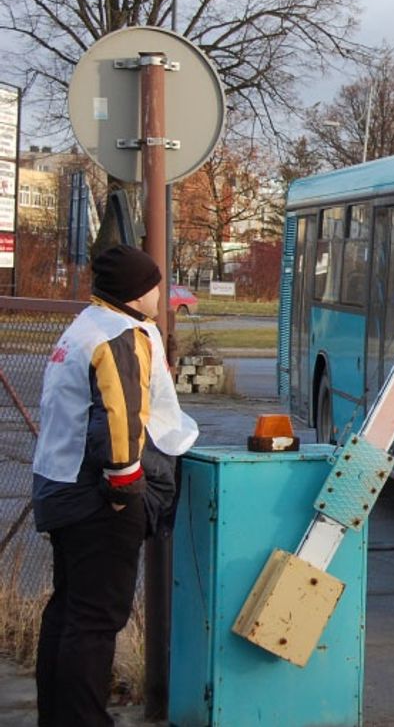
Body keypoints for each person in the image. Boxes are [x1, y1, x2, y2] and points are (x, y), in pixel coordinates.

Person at [32, 244, 199, 727]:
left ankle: (58, 717)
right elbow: (120, 416)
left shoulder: (86, 326)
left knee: (68, 612)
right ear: (136, 291)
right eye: (155, 284)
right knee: (96, 620)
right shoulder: (122, 335)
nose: (159, 293)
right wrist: (126, 488)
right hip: (98, 499)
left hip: (60, 485)